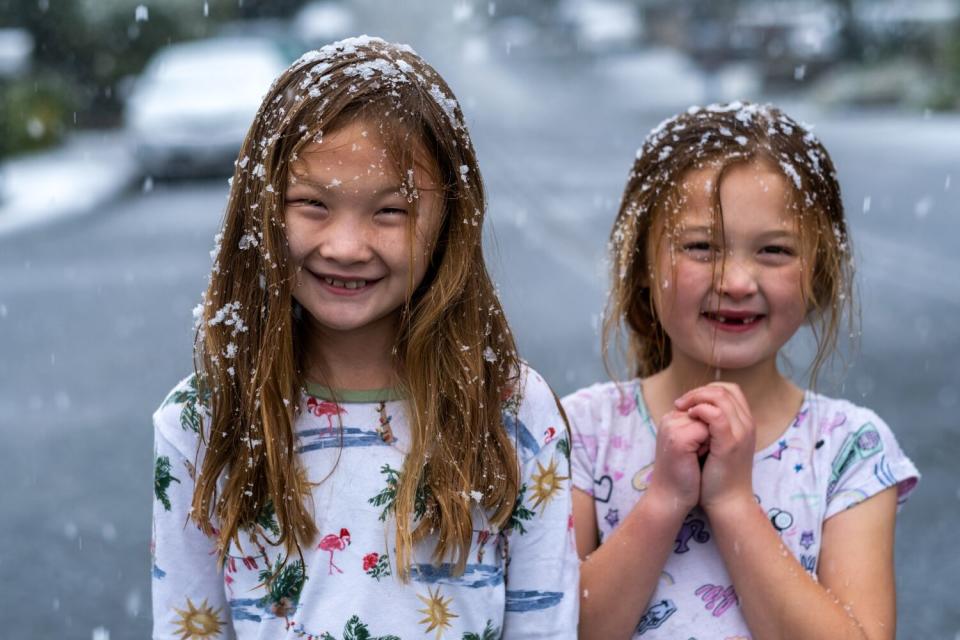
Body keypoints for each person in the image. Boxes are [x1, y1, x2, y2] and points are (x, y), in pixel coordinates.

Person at [152, 36, 578, 639]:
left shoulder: (512, 411)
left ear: (448, 222)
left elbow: (544, 629)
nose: (346, 247)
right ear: (261, 208)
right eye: (312, 205)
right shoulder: (202, 422)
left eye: (390, 212)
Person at [563, 102, 919, 639]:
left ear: (818, 272)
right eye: (701, 247)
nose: (735, 281)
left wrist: (732, 502)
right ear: (641, 264)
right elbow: (555, 628)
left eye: (774, 251)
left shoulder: (850, 449)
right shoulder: (580, 432)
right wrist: (662, 502)